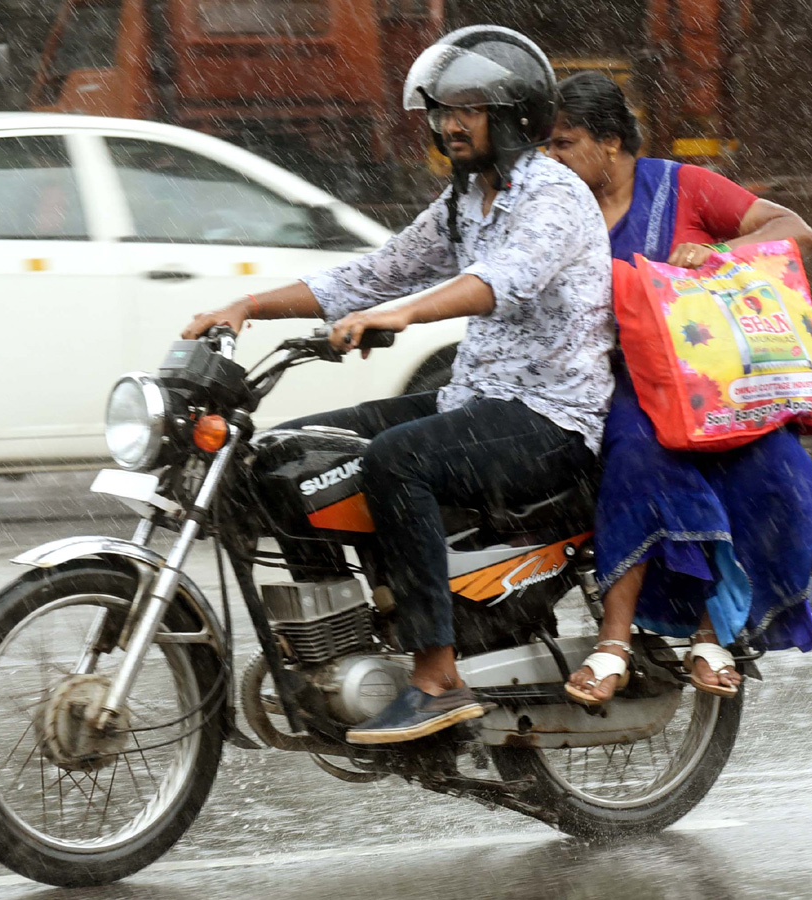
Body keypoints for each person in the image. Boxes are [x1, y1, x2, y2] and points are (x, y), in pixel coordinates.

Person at [183, 27, 615, 744]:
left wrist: (404, 314)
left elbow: (499, 283)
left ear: (514, 115)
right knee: (287, 458)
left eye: (467, 109)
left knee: (398, 459)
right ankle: (338, 645)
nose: (448, 124)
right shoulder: (465, 201)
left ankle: (436, 675)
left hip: (552, 417)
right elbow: (370, 274)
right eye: (442, 110)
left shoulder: (555, 196)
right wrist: (248, 307)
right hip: (473, 399)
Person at [544, 71, 812, 705]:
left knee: (765, 460)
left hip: (711, 382)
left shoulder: (683, 185)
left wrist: (717, 253)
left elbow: (796, 229)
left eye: (563, 143)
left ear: (609, 143)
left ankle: (714, 635)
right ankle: (614, 640)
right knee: (640, 452)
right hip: (619, 385)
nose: (552, 159)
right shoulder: (556, 206)